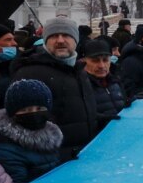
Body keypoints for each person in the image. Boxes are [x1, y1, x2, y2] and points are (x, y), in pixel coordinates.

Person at [11, 18, 101, 161]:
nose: (60, 40)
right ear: (45, 41)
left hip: (82, 155)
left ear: (75, 40)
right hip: (54, 162)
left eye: (66, 35)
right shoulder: (30, 73)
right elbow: (24, 127)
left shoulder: (79, 70)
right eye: (53, 36)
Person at [0, 79, 63, 183]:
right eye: (25, 110)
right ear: (13, 113)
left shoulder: (50, 137)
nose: (34, 113)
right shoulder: (3, 149)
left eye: (39, 108)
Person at [79, 40, 125, 124]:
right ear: (83, 61)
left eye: (105, 60)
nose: (101, 66)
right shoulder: (78, 85)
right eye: (95, 61)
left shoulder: (116, 81)